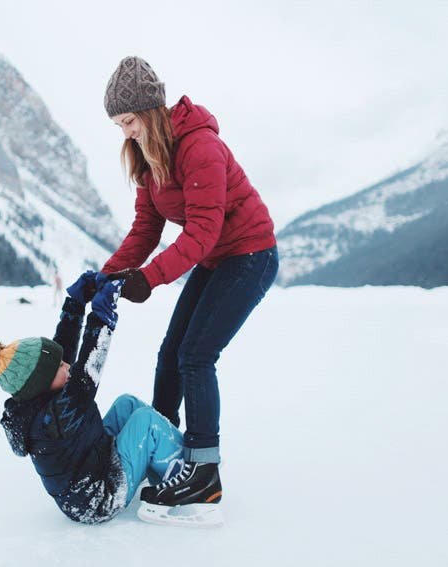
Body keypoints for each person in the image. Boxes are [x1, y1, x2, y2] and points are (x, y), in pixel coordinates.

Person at [100, 56, 279, 511]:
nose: (126, 132)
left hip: (250, 254)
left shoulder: (199, 147)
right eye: (119, 124)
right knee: (170, 353)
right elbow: (146, 230)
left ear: (150, 111)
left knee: (196, 356)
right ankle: (162, 449)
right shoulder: (148, 156)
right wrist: (103, 278)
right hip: (217, 256)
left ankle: (203, 471)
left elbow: (202, 232)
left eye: (129, 121)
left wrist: (148, 280)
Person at [0, 272, 185, 524]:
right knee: (145, 421)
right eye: (61, 366)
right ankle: (188, 473)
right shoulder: (56, 417)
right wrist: (102, 316)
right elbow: (87, 370)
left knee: (126, 404)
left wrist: (75, 303)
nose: (66, 366)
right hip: (100, 497)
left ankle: (163, 461)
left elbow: (63, 351)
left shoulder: (38, 397)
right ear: (42, 381)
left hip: (94, 461)